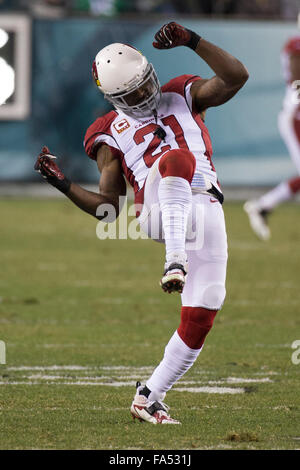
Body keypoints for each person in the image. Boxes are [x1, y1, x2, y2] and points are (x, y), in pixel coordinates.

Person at [34, 22, 248, 424]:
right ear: (113, 97)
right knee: (176, 161)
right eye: (132, 92)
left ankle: (149, 395)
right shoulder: (108, 131)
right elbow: (109, 209)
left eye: (145, 83)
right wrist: (63, 185)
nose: (145, 93)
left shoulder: (182, 93)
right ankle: (174, 261)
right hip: (156, 212)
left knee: (203, 312)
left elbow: (237, 76)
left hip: (205, 209)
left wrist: (192, 41)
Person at [244, 36, 300, 241]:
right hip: (296, 116)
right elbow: (296, 78)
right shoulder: (295, 45)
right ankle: (262, 206)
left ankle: (263, 206)